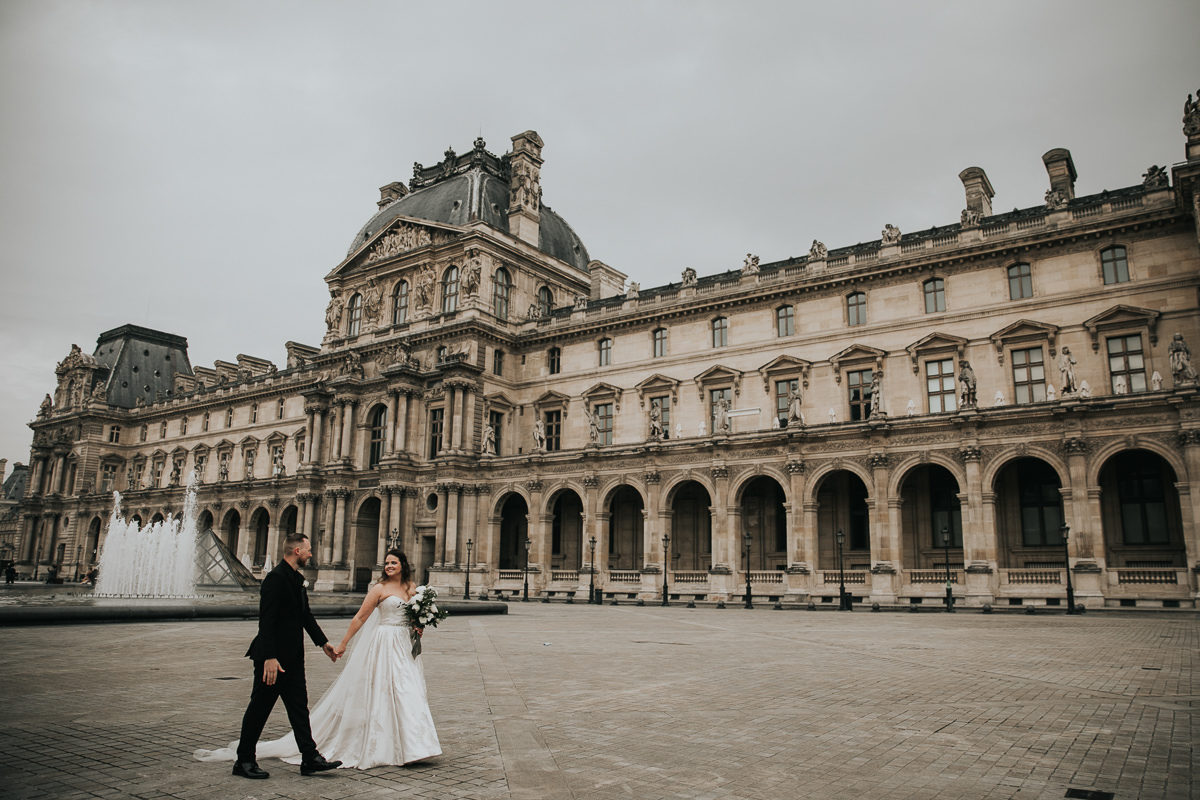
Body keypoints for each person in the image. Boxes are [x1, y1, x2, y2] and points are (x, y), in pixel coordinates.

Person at [197, 548, 441, 772]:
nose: (388, 566)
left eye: (393, 562)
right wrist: (342, 643)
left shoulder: (412, 588)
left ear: (403, 565)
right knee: (266, 707)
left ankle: (411, 746)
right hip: (378, 645)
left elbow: (306, 616)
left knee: (407, 690)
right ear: (297, 550)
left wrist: (419, 626)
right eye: (386, 562)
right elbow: (358, 618)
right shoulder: (377, 588)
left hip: (402, 645)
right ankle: (253, 757)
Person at [197, 533, 342, 780]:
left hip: (293, 659)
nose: (310, 554)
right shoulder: (275, 578)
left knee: (299, 710)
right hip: (272, 661)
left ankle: (310, 758)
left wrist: (323, 643)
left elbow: (305, 615)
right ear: (297, 551)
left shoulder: (296, 578)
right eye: (308, 549)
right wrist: (269, 657)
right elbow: (267, 621)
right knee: (259, 709)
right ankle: (243, 761)